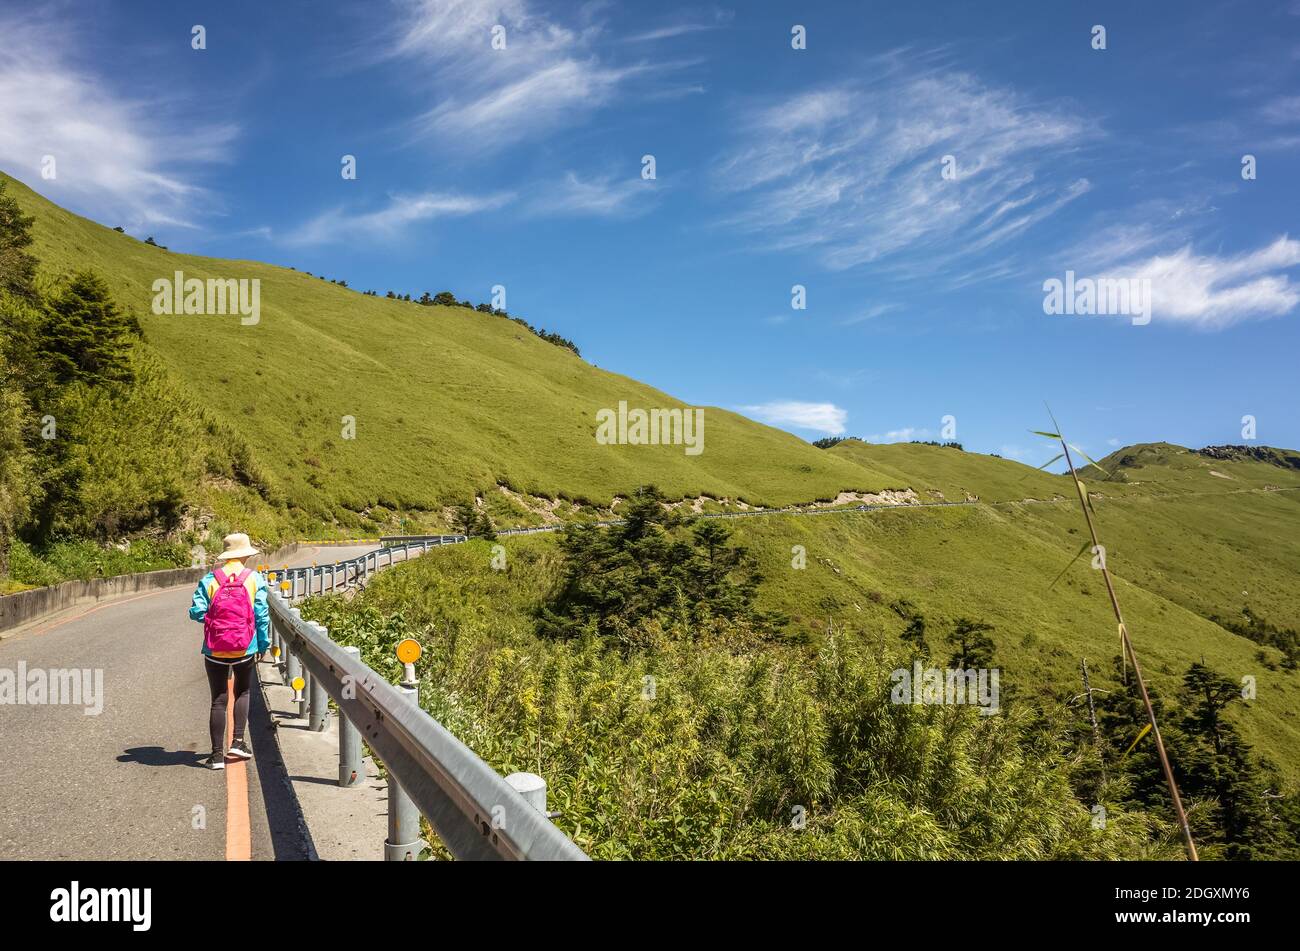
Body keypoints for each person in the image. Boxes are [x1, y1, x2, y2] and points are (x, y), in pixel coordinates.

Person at [189, 532, 270, 769]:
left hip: (214, 650)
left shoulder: (209, 579)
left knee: (218, 700)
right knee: (242, 693)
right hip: (245, 648)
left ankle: (215, 756)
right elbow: (261, 616)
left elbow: (195, 612)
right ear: (245, 554)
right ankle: (237, 742)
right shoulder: (254, 579)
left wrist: (216, 622)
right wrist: (262, 644)